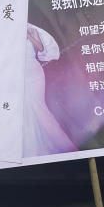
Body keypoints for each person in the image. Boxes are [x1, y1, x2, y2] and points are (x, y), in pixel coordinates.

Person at [23, 24, 77, 157]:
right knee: (24, 108)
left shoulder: (31, 29)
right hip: (16, 73)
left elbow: (40, 48)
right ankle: (28, 146)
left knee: (37, 106)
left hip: (32, 71)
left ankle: (58, 144)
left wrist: (28, 35)